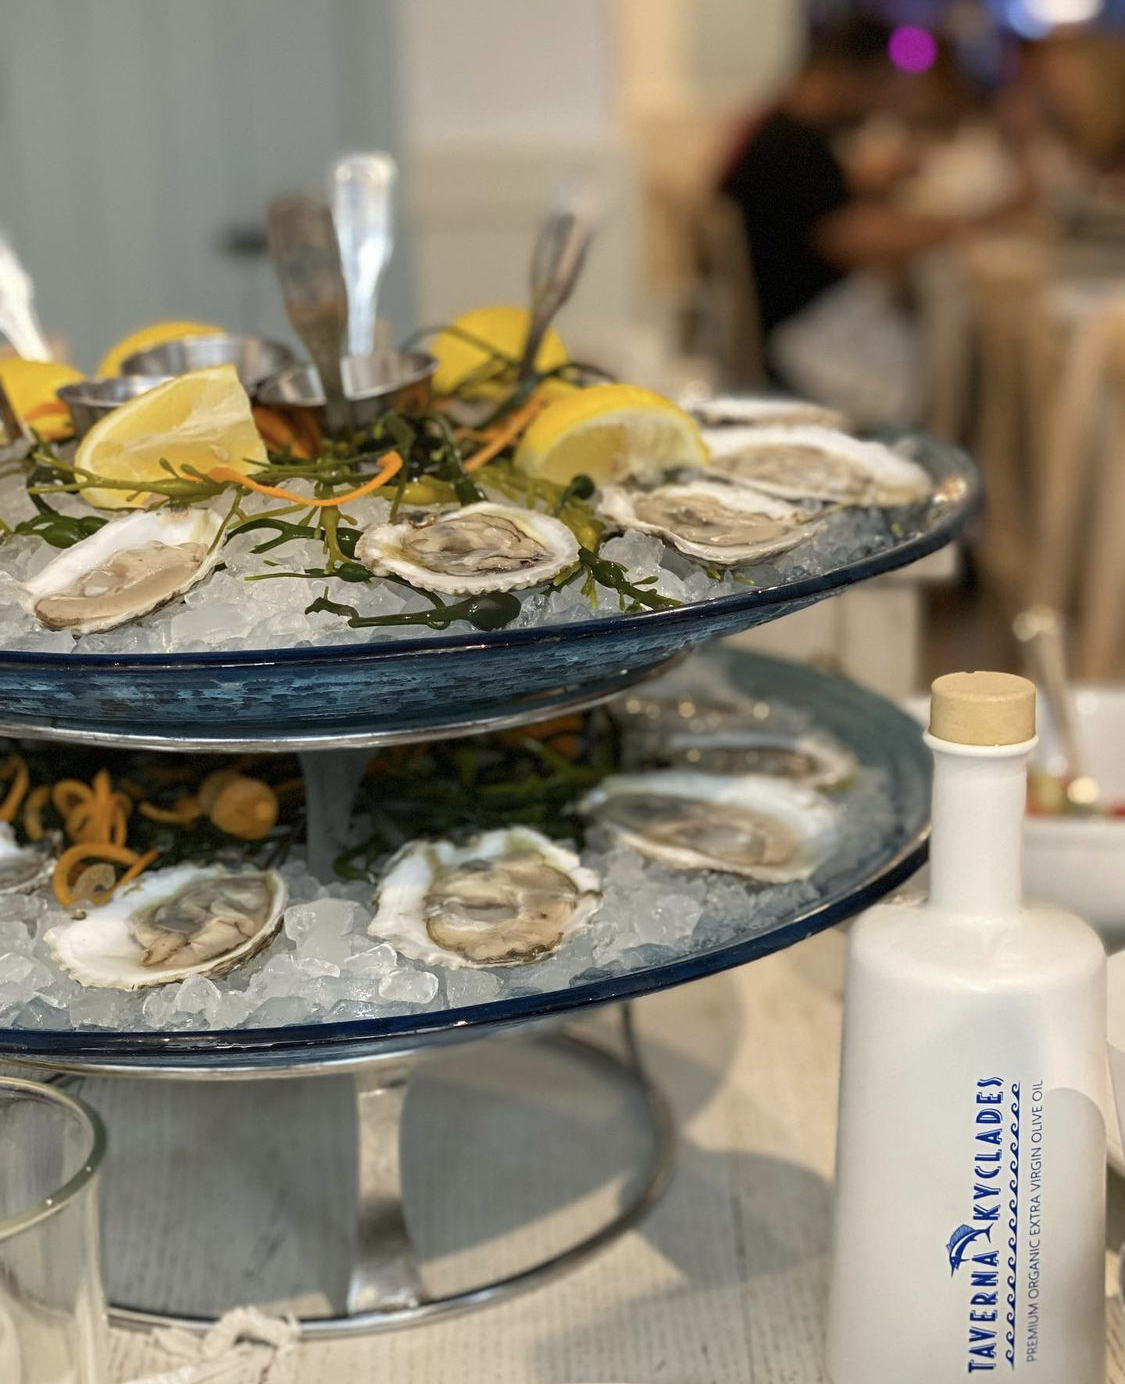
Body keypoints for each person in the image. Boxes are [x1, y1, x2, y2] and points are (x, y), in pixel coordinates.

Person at [720, 12, 1029, 411]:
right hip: (802, 343)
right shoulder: (789, 145)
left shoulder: (782, 128)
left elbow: (821, 204)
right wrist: (980, 219)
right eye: (881, 84)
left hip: (799, 325)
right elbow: (857, 237)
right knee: (944, 352)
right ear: (849, 76)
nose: (882, 102)